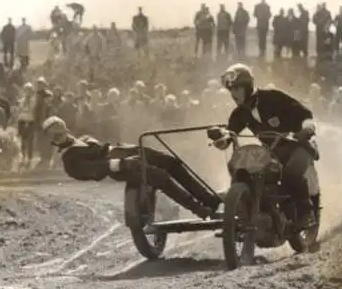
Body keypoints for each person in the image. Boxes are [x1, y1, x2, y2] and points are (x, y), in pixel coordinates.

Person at [41, 116, 222, 219]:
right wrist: (120, 163)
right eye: (56, 137)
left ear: (66, 128)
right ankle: (200, 210)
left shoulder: (81, 139)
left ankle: (209, 199)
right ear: (52, 141)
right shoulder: (70, 160)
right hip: (123, 167)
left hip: (124, 150)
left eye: (61, 132)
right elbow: (93, 170)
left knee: (171, 162)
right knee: (160, 176)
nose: (61, 137)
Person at [210, 63, 319, 229]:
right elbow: (229, 134)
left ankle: (306, 214)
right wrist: (221, 137)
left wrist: (307, 127)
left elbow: (305, 114)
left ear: (248, 86)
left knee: (292, 173)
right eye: (230, 90)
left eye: (237, 88)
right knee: (254, 173)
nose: (233, 94)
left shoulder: (273, 97)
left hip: (299, 144)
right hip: (274, 151)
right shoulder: (239, 113)